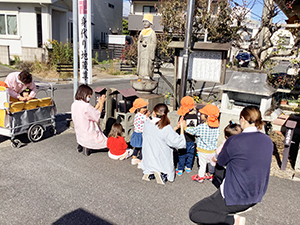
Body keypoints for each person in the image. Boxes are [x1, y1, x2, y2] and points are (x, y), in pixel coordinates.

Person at [189, 106, 273, 225]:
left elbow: (221, 161)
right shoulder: (267, 140)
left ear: (243, 119)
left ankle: (233, 220)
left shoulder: (234, 141)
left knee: (195, 212)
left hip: (236, 196)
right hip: (256, 194)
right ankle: (240, 208)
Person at [141, 103, 186, 185]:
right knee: (166, 167)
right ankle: (162, 174)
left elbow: (160, 134)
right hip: (161, 159)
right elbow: (179, 143)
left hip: (148, 158)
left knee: (149, 163)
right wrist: (182, 128)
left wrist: (176, 128)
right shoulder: (166, 128)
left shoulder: (147, 123)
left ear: (154, 112)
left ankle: (149, 173)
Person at [183, 104, 220, 183]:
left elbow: (193, 131)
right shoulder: (217, 127)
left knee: (202, 165)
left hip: (203, 151)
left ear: (207, 117)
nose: (200, 115)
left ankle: (200, 177)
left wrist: (185, 127)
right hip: (212, 150)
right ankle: (210, 175)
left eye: (202, 114)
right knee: (211, 164)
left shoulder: (202, 127)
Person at [71, 84, 107, 156]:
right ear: (85, 94)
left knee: (82, 138)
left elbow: (91, 111)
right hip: (88, 129)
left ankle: (80, 146)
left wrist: (98, 104)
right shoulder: (86, 106)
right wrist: (101, 104)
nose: (89, 97)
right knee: (101, 141)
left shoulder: (75, 104)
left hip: (79, 128)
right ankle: (87, 148)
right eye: (89, 95)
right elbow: (96, 115)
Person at [211, 121, 242, 188]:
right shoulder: (242, 145)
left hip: (223, 167)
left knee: (221, 180)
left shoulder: (224, 145)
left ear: (226, 137)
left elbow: (218, 154)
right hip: (235, 169)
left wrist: (214, 159)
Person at [175, 96, 198, 176]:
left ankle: (180, 169)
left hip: (183, 139)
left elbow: (179, 127)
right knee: (190, 154)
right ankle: (188, 167)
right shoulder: (195, 117)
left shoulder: (183, 117)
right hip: (191, 139)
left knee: (182, 154)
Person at [129, 98, 150, 168]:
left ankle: (134, 159)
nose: (145, 109)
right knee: (142, 148)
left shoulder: (136, 114)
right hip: (141, 134)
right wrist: (147, 115)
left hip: (136, 133)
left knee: (137, 147)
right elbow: (149, 121)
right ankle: (141, 162)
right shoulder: (143, 116)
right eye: (143, 108)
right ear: (138, 108)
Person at [137, 13, 157, 80]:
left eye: (146, 21)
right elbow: (139, 41)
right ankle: (141, 74)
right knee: (142, 64)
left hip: (148, 53)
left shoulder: (152, 32)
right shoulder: (142, 32)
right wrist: (141, 42)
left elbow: (154, 44)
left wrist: (147, 45)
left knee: (147, 64)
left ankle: (147, 74)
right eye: (143, 22)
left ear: (150, 22)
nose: (144, 23)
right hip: (142, 52)